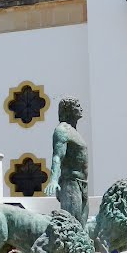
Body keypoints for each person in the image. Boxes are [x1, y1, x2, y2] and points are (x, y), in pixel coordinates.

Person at [43, 97, 90, 227]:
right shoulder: (62, 130)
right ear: (68, 110)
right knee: (72, 225)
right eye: (77, 106)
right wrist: (53, 179)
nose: (80, 108)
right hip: (71, 183)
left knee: (82, 226)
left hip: (82, 184)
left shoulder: (74, 132)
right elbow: (57, 156)